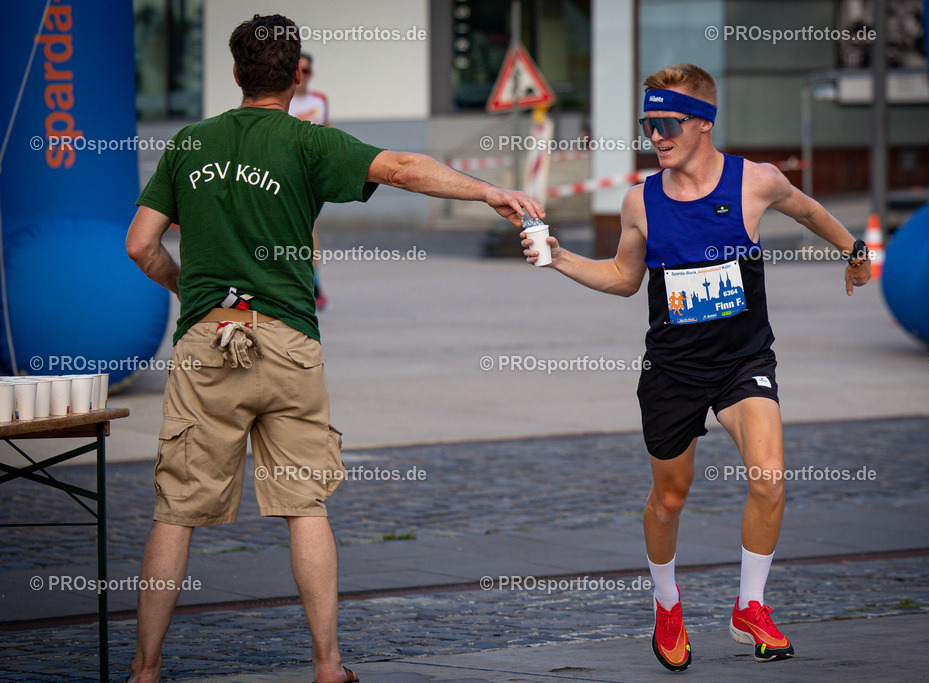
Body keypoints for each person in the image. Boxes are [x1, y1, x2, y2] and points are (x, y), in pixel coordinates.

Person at [124, 14, 543, 683]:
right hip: (288, 341)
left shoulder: (189, 144)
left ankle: (144, 671)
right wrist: (489, 190)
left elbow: (140, 244)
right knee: (304, 504)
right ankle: (327, 665)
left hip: (209, 339)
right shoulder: (308, 143)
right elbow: (402, 167)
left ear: (234, 75)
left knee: (177, 510)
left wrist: (191, 297)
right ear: (296, 76)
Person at [521, 63, 870, 672]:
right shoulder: (641, 202)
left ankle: (750, 607)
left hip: (743, 361)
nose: (654, 135)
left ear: (703, 124)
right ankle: (667, 605)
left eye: (667, 123)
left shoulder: (755, 183)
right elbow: (625, 280)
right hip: (673, 370)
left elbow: (810, 211)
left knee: (769, 478)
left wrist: (854, 251)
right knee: (670, 497)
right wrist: (558, 257)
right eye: (647, 123)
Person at [287, 52, 330, 310]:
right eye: (298, 71)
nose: (302, 77)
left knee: (308, 227)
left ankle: (313, 284)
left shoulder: (319, 101)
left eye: (307, 71)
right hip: (284, 175)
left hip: (311, 177)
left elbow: (327, 131)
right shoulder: (282, 102)